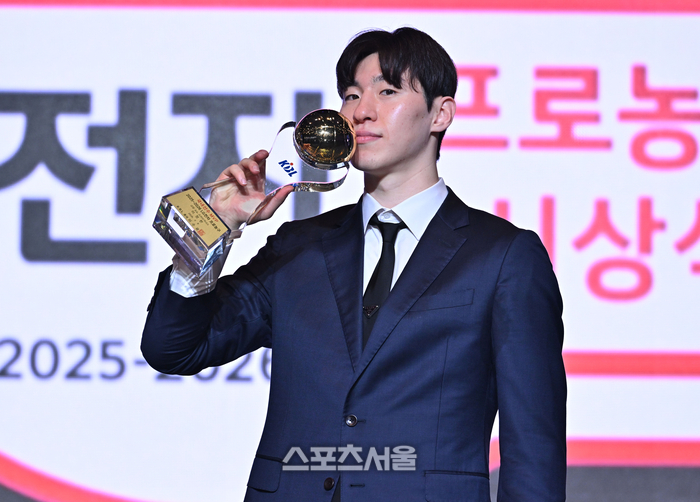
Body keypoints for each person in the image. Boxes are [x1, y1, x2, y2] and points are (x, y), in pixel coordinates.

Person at [142, 27, 567, 502]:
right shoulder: (298, 248)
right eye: (350, 95)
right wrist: (215, 225)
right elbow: (173, 349)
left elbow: (534, 446)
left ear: (440, 114)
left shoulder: (503, 256)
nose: (361, 111)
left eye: (387, 92)